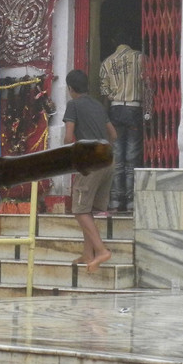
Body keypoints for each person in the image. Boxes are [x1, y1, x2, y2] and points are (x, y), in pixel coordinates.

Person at [63, 69, 116, 271]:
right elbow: (113, 134)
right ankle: (87, 254)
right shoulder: (97, 105)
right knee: (89, 209)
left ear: (70, 88)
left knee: (79, 210)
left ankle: (101, 251)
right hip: (108, 158)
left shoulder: (73, 105)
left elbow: (68, 138)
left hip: (91, 161)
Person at [99, 33, 145, 212]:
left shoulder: (106, 62)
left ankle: (117, 200)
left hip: (115, 109)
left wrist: (105, 119)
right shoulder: (141, 58)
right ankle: (132, 200)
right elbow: (148, 83)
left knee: (117, 157)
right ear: (131, 41)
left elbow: (104, 93)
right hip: (134, 108)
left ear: (113, 42)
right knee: (132, 156)